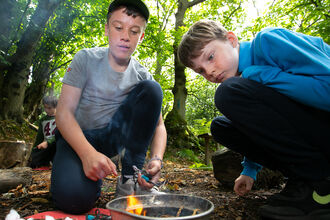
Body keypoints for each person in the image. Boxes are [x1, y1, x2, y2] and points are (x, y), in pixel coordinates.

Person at [177, 19, 330, 219]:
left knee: (228, 93)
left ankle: (321, 183)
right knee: (221, 126)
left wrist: (260, 75)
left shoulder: (268, 42)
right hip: (313, 135)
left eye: (211, 57)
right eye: (201, 71)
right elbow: (269, 120)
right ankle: (301, 179)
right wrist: (249, 170)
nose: (210, 72)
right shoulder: (243, 81)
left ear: (231, 39)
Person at [51, 0, 167, 214]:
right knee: (73, 200)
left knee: (152, 89)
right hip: (78, 138)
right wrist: (87, 155)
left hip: (112, 138)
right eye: (118, 27)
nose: (125, 36)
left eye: (134, 31)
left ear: (141, 37)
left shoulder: (141, 74)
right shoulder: (85, 59)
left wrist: (157, 159)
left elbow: (159, 125)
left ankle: (129, 180)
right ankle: (79, 171)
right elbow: (63, 113)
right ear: (106, 29)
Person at [29, 96, 58, 169]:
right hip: (46, 147)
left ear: (56, 107)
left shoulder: (61, 117)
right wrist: (34, 149)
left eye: (49, 108)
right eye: (45, 107)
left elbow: (62, 134)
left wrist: (48, 142)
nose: (46, 110)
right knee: (34, 161)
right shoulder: (43, 120)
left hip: (57, 144)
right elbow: (40, 137)